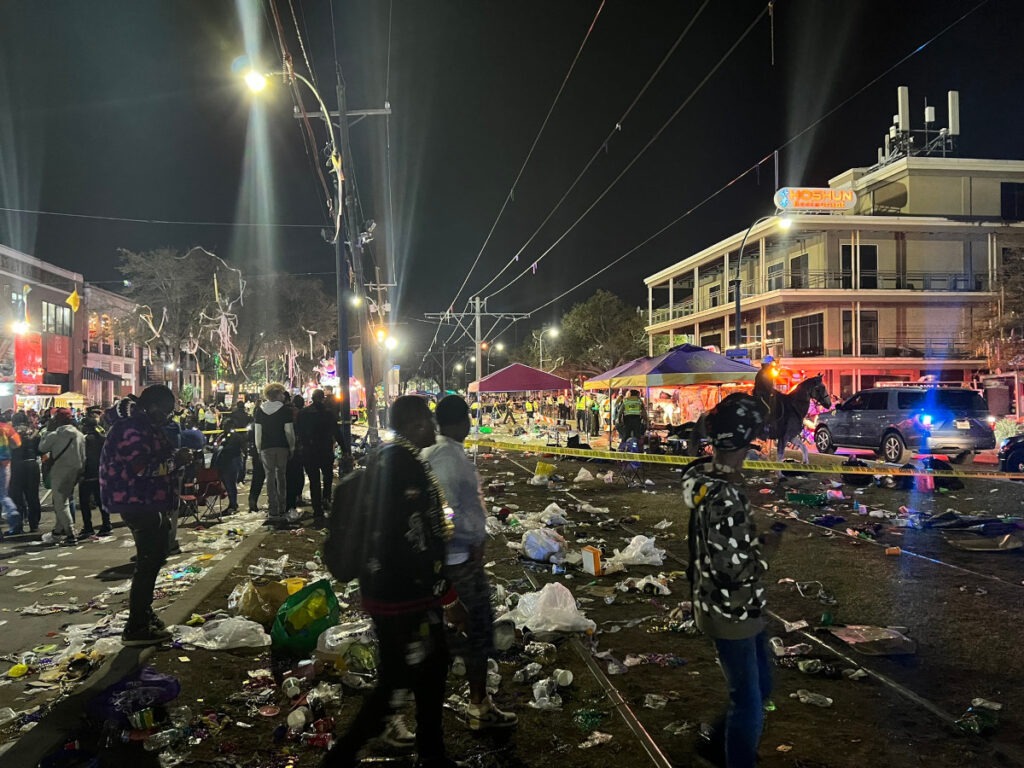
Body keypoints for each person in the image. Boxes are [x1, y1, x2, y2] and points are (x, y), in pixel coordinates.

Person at [324, 395, 467, 768]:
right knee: (395, 680)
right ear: (416, 424)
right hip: (404, 594)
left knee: (431, 668)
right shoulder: (405, 468)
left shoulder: (387, 457)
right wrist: (444, 592)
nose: (435, 429)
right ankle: (343, 755)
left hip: (388, 588)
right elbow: (413, 536)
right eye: (428, 421)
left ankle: (432, 753)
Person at [682, 393, 779, 768]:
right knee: (749, 702)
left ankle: (716, 744)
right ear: (743, 443)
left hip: (725, 604)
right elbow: (732, 568)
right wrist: (768, 549)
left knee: (761, 687)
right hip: (731, 609)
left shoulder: (704, 478)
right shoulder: (724, 498)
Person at [423, 396, 517, 731]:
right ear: (462, 421)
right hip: (457, 562)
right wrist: (472, 538)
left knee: (450, 633)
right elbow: (446, 512)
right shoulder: (449, 458)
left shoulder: (433, 454)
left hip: (447, 563)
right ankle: (479, 705)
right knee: (475, 630)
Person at [101, 387, 191, 646]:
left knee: (155, 556)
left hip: (149, 499)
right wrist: (177, 461)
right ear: (152, 406)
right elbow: (142, 467)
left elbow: (157, 458)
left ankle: (144, 612)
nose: (167, 415)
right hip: (137, 500)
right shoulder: (132, 429)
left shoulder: (144, 427)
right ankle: (137, 625)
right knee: (148, 562)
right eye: (165, 409)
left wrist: (175, 458)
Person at [39, 409, 85, 546]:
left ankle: (70, 535)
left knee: (60, 504)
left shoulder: (55, 434)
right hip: (74, 472)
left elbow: (42, 447)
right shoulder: (79, 435)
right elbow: (84, 457)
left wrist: (47, 431)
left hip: (60, 471)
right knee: (63, 501)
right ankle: (57, 532)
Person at [297, 389, 341, 527]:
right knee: (327, 476)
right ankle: (326, 498)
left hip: (309, 451)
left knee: (314, 481)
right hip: (325, 450)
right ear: (322, 398)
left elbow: (298, 431)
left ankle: (317, 511)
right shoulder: (328, 413)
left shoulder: (303, 413)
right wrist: (345, 449)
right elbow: (336, 432)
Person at [254, 383, 294, 526]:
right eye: (282, 394)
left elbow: (258, 432)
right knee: (281, 476)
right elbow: (289, 431)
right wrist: (292, 446)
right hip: (282, 446)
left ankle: (273, 508)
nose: (284, 396)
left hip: (265, 448)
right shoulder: (285, 411)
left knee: (269, 477)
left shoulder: (259, 411)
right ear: (277, 395)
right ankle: (282, 506)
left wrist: (258, 448)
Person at [78, 413, 111, 537]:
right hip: (101, 473)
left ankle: (88, 527)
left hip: (87, 474)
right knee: (101, 501)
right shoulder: (103, 438)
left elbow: (82, 457)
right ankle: (106, 524)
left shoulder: (84, 440)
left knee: (85, 503)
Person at [10, 412, 41, 533]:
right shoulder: (34, 432)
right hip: (32, 464)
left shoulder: (10, 433)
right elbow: (40, 450)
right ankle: (34, 524)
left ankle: (18, 526)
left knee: (16, 497)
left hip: (16, 466)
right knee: (33, 496)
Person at [213, 422, 245, 513]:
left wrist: (221, 447)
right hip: (224, 463)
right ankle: (232, 503)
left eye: (226, 426)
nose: (224, 428)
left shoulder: (235, 437)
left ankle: (233, 504)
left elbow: (232, 448)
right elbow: (215, 444)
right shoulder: (222, 436)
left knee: (231, 484)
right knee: (228, 484)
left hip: (232, 462)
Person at [0, 413, 23, 537]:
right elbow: (17, 443)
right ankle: (12, 511)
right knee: (3, 494)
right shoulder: (7, 428)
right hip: (4, 463)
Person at [285, 394, 306, 515]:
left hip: (289, 447)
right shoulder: (301, 413)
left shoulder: (286, 412)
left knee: (289, 474)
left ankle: (288, 499)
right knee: (298, 472)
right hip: (299, 447)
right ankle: (297, 495)